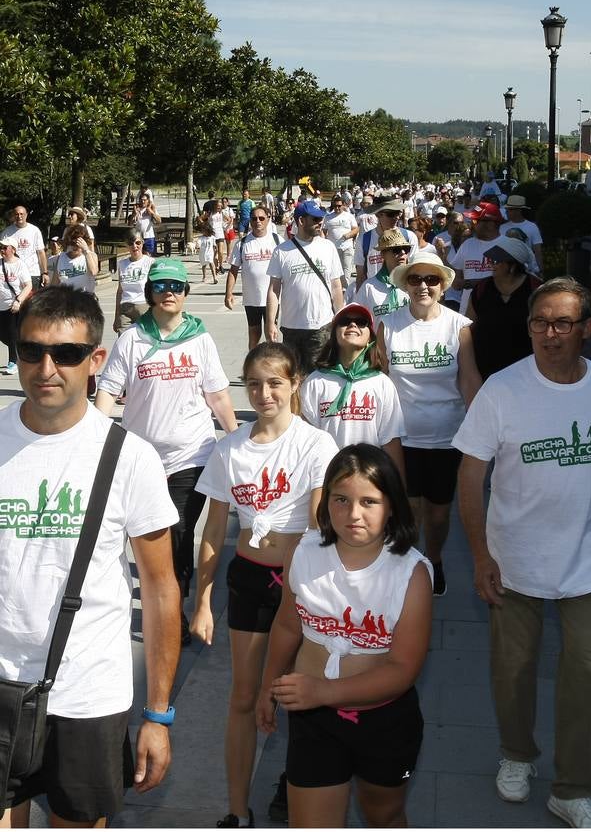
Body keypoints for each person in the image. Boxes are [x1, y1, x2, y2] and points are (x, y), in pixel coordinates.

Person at [0, 286, 180, 828]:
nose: (46, 368)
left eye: (67, 354)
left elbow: (160, 588)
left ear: (96, 360)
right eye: (31, 351)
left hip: (88, 691)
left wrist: (157, 716)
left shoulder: (130, 457)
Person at [453, 277, 591, 829]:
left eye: (564, 323)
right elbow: (471, 474)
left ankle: (574, 786)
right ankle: (517, 756)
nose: (550, 334)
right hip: (514, 560)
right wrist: (480, 553)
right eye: (540, 322)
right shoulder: (503, 390)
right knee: (514, 671)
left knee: (588, 671)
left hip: (589, 562)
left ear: (587, 329)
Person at [191, 342, 338, 828]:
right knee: (244, 695)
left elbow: (318, 522)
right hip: (250, 579)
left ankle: (297, 789)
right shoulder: (229, 448)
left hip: (301, 584)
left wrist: (305, 595)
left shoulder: (316, 445)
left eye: (275, 382)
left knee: (297, 695)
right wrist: (204, 599)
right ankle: (236, 808)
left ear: (295, 383)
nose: (264, 393)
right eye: (254, 383)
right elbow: (214, 528)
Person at [256, 444, 433, 828]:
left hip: (385, 722)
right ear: (326, 501)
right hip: (313, 718)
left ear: (392, 506)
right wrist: (268, 686)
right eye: (341, 499)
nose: (353, 514)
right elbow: (288, 625)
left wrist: (323, 691)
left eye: (369, 501)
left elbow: (403, 669)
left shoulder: (411, 574)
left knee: (383, 813)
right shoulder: (303, 552)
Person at [95, 258, 237, 645]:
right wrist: (92, 436)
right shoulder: (132, 340)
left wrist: (236, 438)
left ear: (186, 293)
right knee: (146, 535)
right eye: (161, 286)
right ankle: (155, 596)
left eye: (176, 285)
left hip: (192, 454)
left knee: (177, 532)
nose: (169, 292)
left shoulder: (200, 339)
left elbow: (218, 394)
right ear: (150, 293)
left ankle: (175, 611)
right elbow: (108, 390)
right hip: (140, 458)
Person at [377, 253, 481, 598]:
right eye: (415, 279)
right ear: (405, 284)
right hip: (402, 438)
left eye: (431, 280)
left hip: (448, 438)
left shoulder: (458, 326)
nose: (423, 286)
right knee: (408, 510)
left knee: (438, 515)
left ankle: (433, 559)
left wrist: (482, 430)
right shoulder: (388, 325)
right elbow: (379, 380)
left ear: (442, 285)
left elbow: (468, 379)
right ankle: (406, 566)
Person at [300, 303, 405, 477]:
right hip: (326, 476)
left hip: (370, 476)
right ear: (334, 334)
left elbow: (391, 441)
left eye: (361, 322)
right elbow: (305, 439)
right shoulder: (315, 382)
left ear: (370, 337)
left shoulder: (382, 383)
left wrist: (398, 490)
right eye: (345, 321)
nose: (353, 325)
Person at [266, 202, 344, 376]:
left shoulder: (328, 247)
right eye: (315, 219)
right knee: (292, 378)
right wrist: (271, 322)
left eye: (321, 219)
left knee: (320, 377)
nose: (320, 223)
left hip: (321, 326)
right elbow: (273, 290)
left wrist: (340, 318)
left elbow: (336, 286)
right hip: (291, 327)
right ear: (301, 221)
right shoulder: (282, 251)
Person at [466, 236, 541, 380]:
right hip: (485, 371)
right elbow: (468, 328)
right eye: (490, 260)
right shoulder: (482, 289)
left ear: (512, 266)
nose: (491, 265)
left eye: (496, 261)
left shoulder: (536, 290)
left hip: (525, 371)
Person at [226, 205, 281, 350]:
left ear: (268, 219)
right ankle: (252, 366)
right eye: (254, 218)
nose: (258, 221)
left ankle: (272, 367)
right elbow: (233, 270)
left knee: (271, 334)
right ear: (250, 221)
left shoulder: (277, 240)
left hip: (272, 298)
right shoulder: (242, 243)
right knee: (254, 335)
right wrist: (228, 294)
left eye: (262, 218)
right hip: (251, 298)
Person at [353, 198, 417, 292]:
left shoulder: (409, 237)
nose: (397, 217)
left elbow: (414, 269)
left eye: (398, 213)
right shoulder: (364, 240)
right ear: (378, 214)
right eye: (391, 214)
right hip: (374, 295)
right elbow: (360, 275)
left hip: (402, 294)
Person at [452, 201, 502, 313]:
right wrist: (459, 282)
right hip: (467, 310)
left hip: (497, 310)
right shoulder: (467, 244)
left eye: (475, 220)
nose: (472, 224)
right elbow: (456, 280)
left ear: (491, 224)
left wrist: (476, 283)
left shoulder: (508, 245)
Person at [354, 228, 410, 327]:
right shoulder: (368, 287)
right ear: (383, 254)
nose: (402, 253)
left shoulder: (414, 284)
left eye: (406, 249)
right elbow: (359, 321)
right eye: (396, 250)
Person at [0, 236, 32, 375]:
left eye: (4, 247)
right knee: (3, 335)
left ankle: (13, 361)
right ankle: (20, 350)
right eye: (1, 247)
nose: (2, 250)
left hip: (14, 305)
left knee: (13, 333)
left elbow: (28, 285)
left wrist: (19, 301)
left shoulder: (20, 265)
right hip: (0, 304)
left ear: (13, 249)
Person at [112, 231, 154, 333]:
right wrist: (116, 316)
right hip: (125, 308)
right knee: (123, 342)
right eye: (131, 244)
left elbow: (154, 289)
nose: (134, 246)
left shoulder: (150, 262)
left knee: (144, 342)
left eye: (138, 243)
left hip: (144, 307)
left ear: (143, 243)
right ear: (126, 245)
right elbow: (120, 291)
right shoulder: (122, 264)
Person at [1, 205, 48, 291]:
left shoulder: (34, 231)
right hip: (13, 274)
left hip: (32, 273)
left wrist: (44, 272)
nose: (19, 216)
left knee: (31, 303)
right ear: (13, 215)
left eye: (21, 214)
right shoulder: (6, 232)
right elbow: (1, 253)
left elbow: (41, 252)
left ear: (26, 215)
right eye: (17, 214)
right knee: (15, 301)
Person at [499, 194, 544, 275]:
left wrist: (541, 271)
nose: (506, 212)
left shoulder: (532, 227)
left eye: (509, 210)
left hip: (527, 272)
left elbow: (538, 251)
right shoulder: (501, 228)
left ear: (518, 210)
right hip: (506, 272)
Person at [322, 197, 359, 290]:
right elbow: (323, 231)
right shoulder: (328, 217)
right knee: (335, 271)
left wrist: (348, 235)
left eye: (339, 206)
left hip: (347, 247)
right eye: (335, 206)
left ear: (343, 205)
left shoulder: (349, 216)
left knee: (346, 270)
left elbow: (356, 229)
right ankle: (336, 289)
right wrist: (323, 241)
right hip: (333, 249)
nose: (337, 208)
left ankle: (346, 291)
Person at [51, 224, 98, 293]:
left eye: (77, 245)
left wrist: (86, 250)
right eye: (72, 244)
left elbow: (93, 272)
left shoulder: (91, 256)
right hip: (66, 299)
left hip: (85, 298)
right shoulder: (61, 258)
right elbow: (54, 283)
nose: (74, 247)